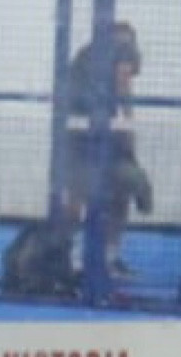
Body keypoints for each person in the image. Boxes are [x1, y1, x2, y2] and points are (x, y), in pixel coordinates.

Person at [58, 17, 151, 280]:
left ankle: (89, 257)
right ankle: (76, 257)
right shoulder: (96, 58)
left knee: (102, 194)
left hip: (84, 136)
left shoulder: (87, 55)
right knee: (87, 197)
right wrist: (128, 130)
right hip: (85, 136)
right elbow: (124, 90)